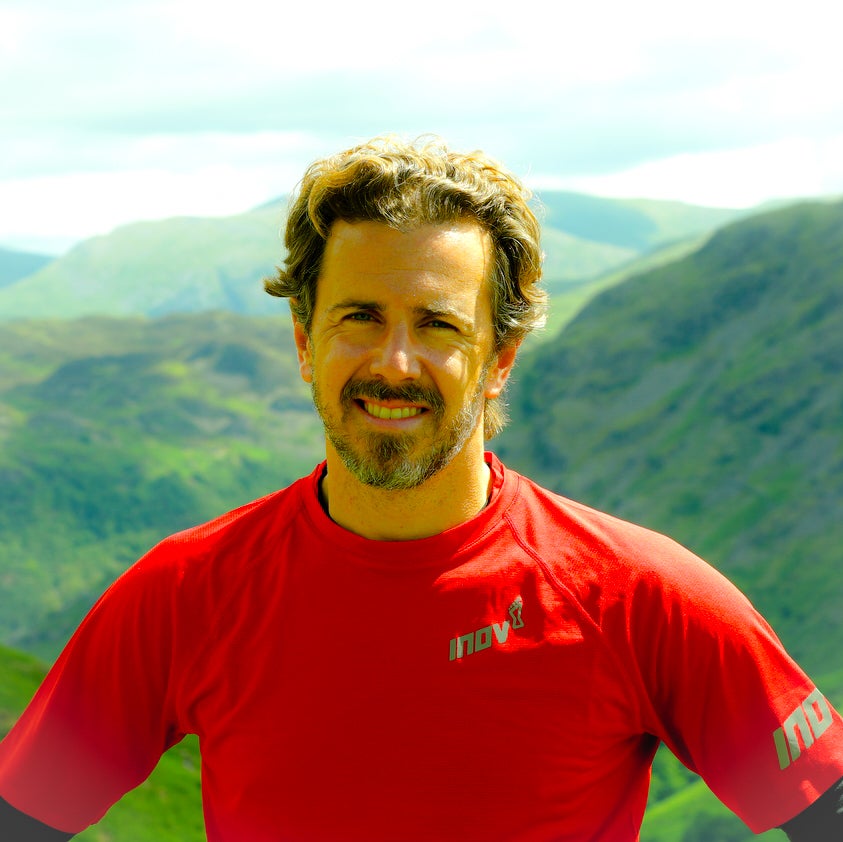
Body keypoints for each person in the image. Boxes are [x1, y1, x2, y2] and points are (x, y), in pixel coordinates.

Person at [0, 135, 841, 841]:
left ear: (498, 360)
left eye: (437, 325)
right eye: (359, 317)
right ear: (304, 341)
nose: (394, 363)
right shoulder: (184, 594)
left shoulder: (639, 598)